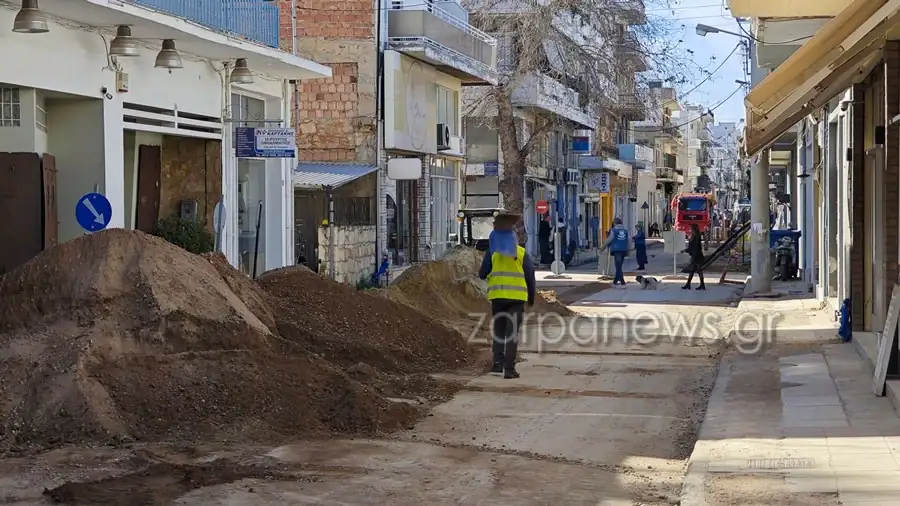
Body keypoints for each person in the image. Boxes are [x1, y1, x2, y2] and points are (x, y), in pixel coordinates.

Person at [478, 213, 536, 379]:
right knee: (512, 334)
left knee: (499, 331)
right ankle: (509, 370)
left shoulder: (492, 252)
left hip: (498, 298)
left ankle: (497, 364)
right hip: (517, 300)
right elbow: (530, 278)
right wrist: (531, 298)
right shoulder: (522, 253)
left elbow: (482, 274)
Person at [600, 217, 629, 287]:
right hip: (624, 250)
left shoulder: (614, 230)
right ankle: (615, 282)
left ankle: (622, 283)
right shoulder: (625, 231)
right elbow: (629, 240)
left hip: (616, 250)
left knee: (618, 267)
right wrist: (628, 249)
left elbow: (609, 239)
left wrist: (602, 248)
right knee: (619, 266)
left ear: (614, 223)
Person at [682, 223, 706, 290]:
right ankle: (691, 284)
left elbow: (694, 247)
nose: (690, 229)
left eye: (691, 228)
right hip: (695, 255)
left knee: (696, 270)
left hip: (696, 256)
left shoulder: (696, 236)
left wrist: (687, 251)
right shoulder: (694, 235)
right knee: (695, 270)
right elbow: (692, 246)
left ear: (694, 229)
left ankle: (690, 284)